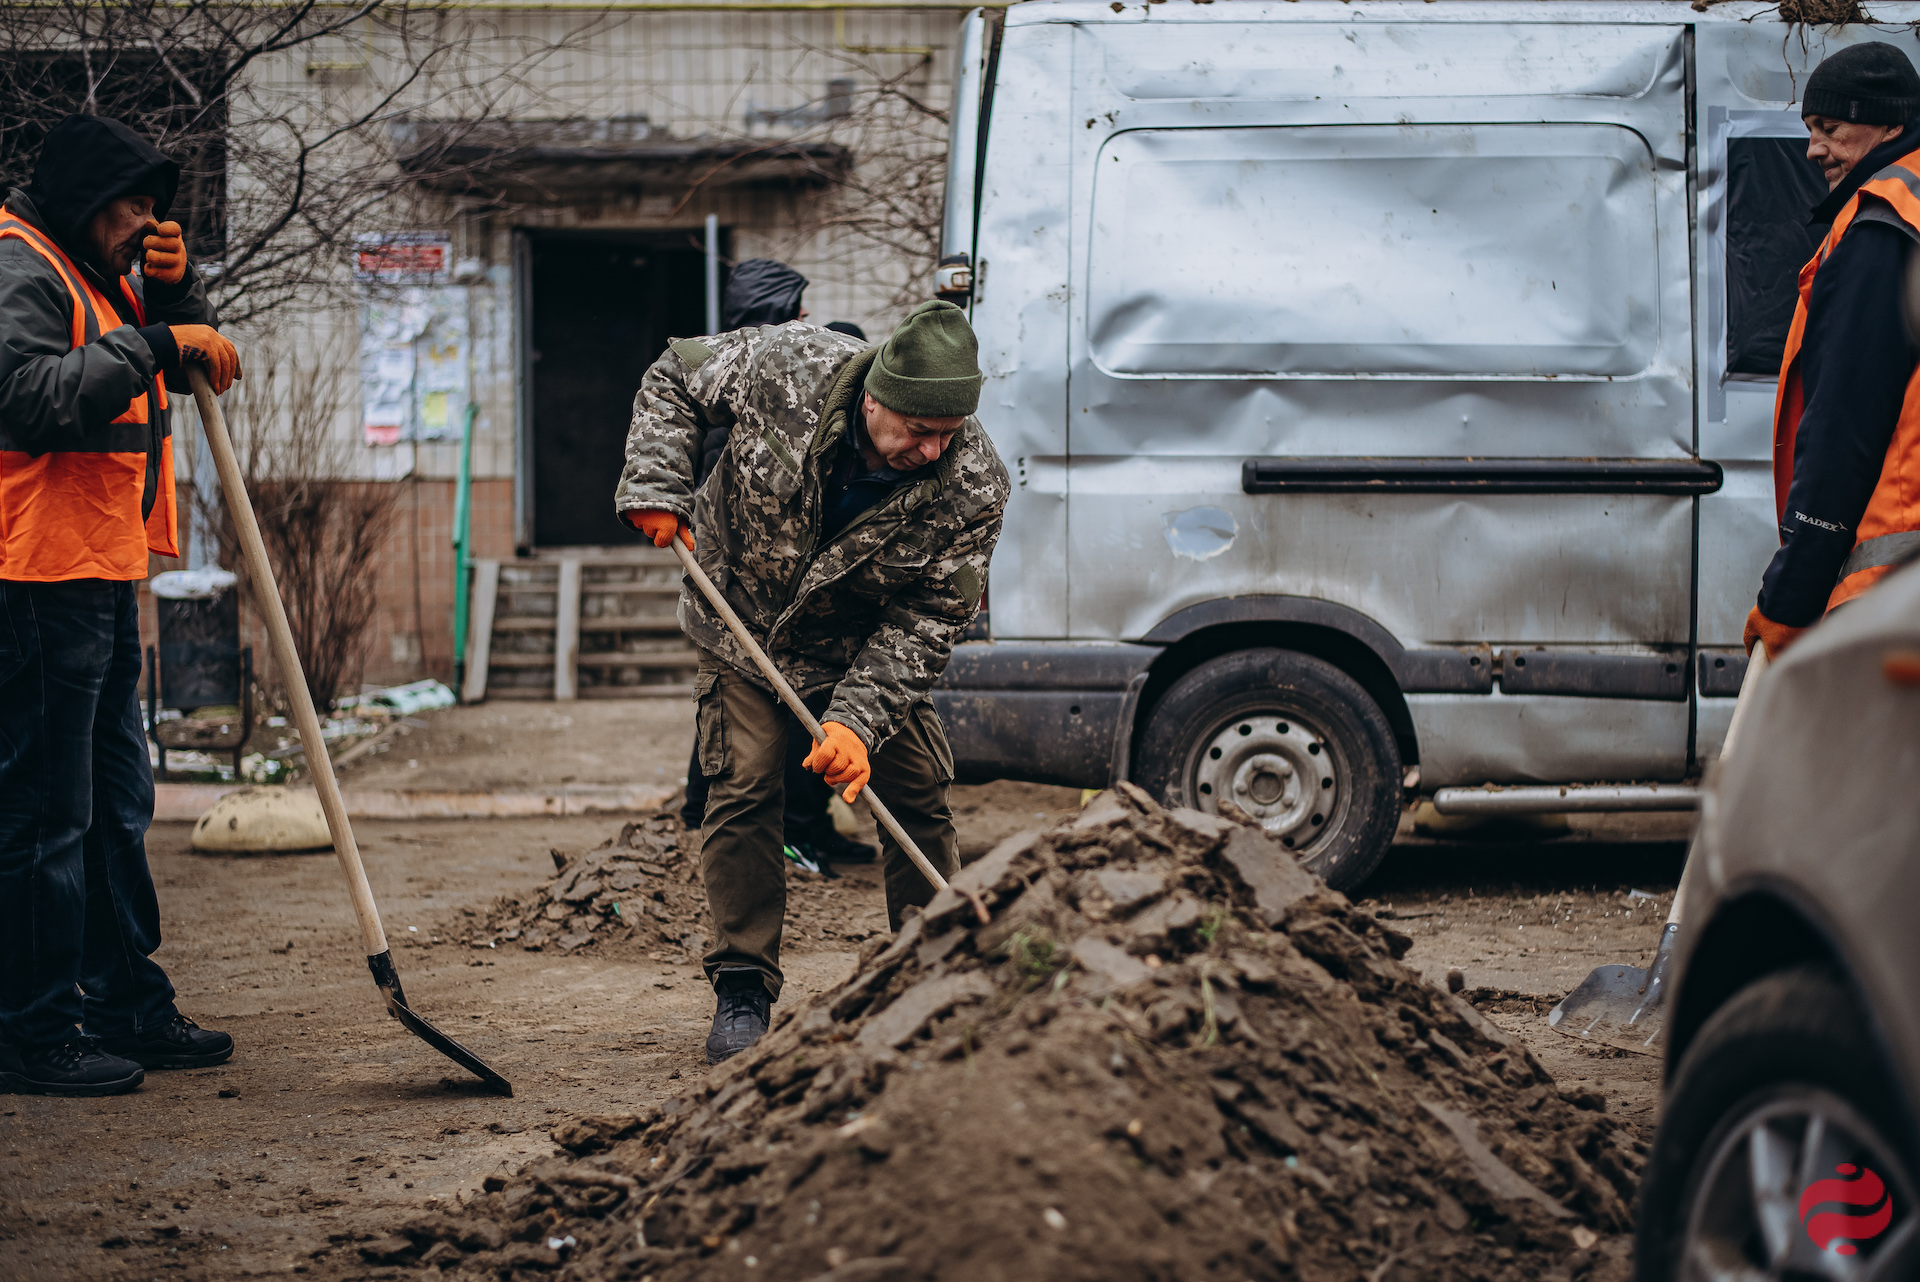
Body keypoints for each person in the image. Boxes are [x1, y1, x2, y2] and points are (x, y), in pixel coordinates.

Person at [618, 299, 1007, 1062]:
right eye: (917, 430)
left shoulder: (973, 486)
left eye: (948, 432)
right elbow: (676, 374)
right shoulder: (788, 364)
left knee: (917, 792)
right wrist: (658, 481)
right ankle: (742, 986)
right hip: (743, 622)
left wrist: (856, 722)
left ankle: (933, 974)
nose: (932, 449)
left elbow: (931, 615)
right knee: (744, 784)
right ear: (875, 399)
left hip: (861, 647)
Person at [0, 115, 241, 1097]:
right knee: (44, 814)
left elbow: (183, 365)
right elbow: (29, 398)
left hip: (96, 569)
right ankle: (31, 1028)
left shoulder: (98, 275)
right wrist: (152, 335)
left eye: (155, 209)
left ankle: (124, 1001)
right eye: (133, 207)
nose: (146, 225)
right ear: (86, 199)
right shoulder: (21, 263)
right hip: (32, 576)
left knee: (113, 805)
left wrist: (177, 298)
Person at [675, 262, 877, 868]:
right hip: (750, 590)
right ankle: (748, 823)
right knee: (754, 708)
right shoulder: (749, 401)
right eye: (799, 311)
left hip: (788, 590)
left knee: (793, 710)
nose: (809, 323)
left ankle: (803, 823)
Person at [1748, 43, 1920, 659]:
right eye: (1810, 129)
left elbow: (1845, 424)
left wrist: (1789, 599)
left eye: (1829, 127)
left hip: (1891, 600)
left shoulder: (1882, 228)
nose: (1813, 149)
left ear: (1889, 126)